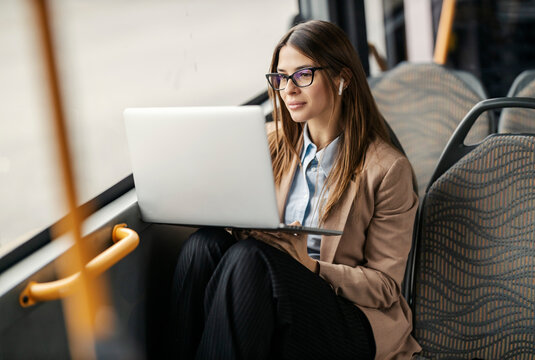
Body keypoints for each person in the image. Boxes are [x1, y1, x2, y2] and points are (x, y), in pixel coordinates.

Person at [167, 20, 420, 359]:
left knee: (248, 259)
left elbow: (386, 288)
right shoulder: (268, 143)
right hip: (272, 285)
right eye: (281, 77)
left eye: (302, 75)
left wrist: (313, 266)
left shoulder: (387, 170)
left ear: (342, 78)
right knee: (203, 246)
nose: (288, 89)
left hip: (348, 313)